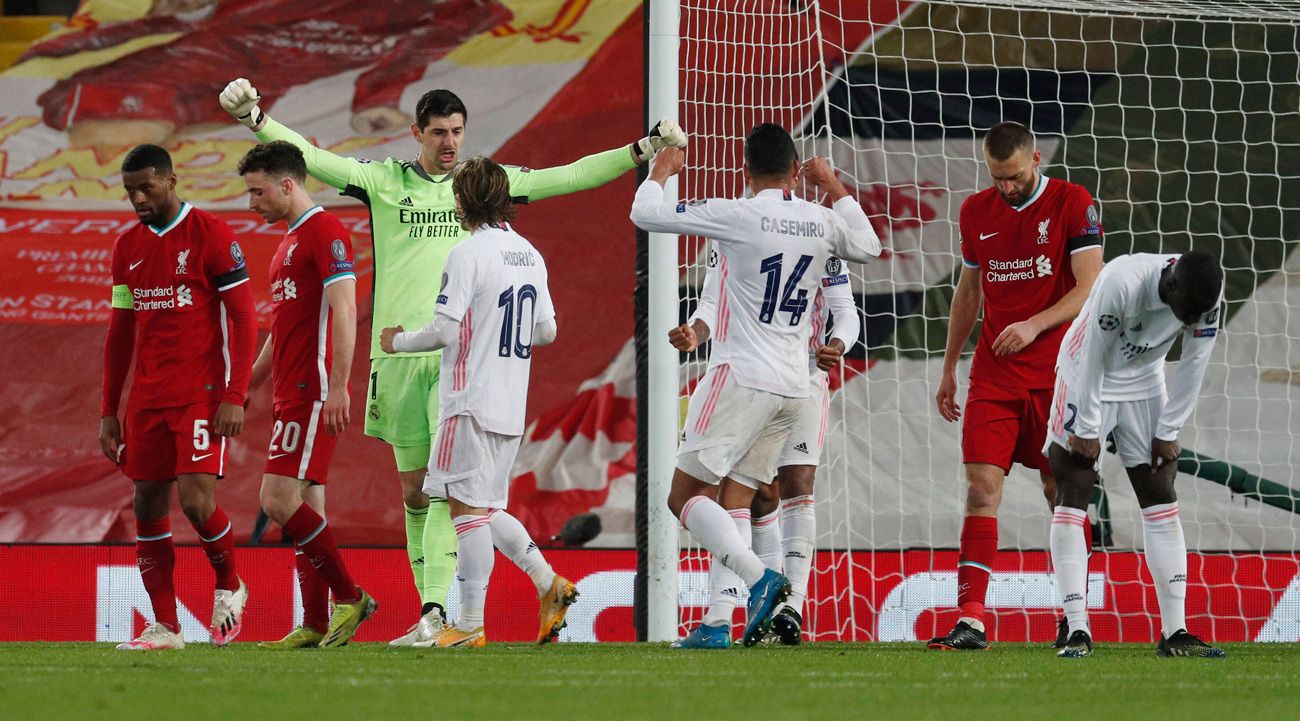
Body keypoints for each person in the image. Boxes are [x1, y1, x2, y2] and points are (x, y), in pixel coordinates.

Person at [220, 76, 685, 644]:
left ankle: (446, 615)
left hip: (452, 361)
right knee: (416, 494)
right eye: (439, 132)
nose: (450, 143)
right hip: (394, 364)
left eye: (458, 132)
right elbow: (315, 160)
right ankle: (435, 612)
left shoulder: (481, 189)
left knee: (449, 495)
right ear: (416, 132)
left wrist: (639, 150)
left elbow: (569, 175)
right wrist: (258, 120)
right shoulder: (384, 182)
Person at [630, 124, 882, 647]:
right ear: (795, 171)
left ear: (745, 173)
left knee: (682, 498)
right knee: (735, 499)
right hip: (795, 385)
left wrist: (661, 170)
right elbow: (869, 246)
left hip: (741, 378)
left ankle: (760, 579)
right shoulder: (820, 221)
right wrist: (832, 186)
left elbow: (645, 213)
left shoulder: (737, 215)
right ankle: (718, 623)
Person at [378, 156, 572, 647]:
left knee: (464, 514)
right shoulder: (529, 253)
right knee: (484, 508)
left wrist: (397, 341)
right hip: (510, 403)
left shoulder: (468, 253)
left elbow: (444, 330)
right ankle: (548, 584)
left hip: (467, 400)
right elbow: (547, 330)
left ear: (463, 200)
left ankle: (467, 624)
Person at [930, 121, 1104, 651]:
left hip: (1058, 372)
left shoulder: (1074, 202)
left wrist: (1033, 324)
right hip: (995, 373)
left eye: (1013, 176)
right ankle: (972, 618)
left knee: (1062, 491)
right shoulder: (976, 212)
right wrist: (949, 366)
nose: (1006, 187)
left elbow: (1089, 286)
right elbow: (968, 291)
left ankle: (1074, 615)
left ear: (1034, 160)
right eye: (996, 177)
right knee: (981, 490)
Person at [99, 144, 258, 650]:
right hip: (146, 399)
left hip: (201, 393)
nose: (138, 198)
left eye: (146, 187)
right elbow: (120, 332)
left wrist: (235, 394)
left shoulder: (210, 234)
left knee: (194, 500)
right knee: (145, 501)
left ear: (171, 180)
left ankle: (230, 584)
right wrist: (108, 411)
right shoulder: (127, 248)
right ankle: (165, 627)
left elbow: (245, 318)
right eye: (129, 191)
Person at [668, 250, 860, 648]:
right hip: (749, 377)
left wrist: (838, 343)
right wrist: (696, 332)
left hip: (802, 376)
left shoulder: (819, 235)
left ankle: (788, 608)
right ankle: (725, 614)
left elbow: (846, 310)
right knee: (743, 495)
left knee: (793, 482)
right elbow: (710, 303)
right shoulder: (731, 232)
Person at [1047, 251, 1225, 659]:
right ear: (1171, 284)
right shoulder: (1122, 282)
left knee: (1161, 490)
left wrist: (1169, 430)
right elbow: (1093, 354)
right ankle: (1076, 629)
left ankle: (1175, 632)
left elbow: (1196, 362)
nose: (1190, 320)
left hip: (1144, 381)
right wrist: (1088, 428)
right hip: (1085, 374)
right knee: (1074, 486)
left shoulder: (1205, 296)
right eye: (1186, 311)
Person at [237, 141, 376, 649]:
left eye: (257, 191)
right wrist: (249, 383)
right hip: (289, 390)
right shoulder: (287, 244)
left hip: (312, 389)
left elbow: (344, 310)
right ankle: (316, 622)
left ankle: (351, 596)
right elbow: (283, 327)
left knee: (275, 500)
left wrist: (339, 385)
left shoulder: (326, 233)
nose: (252, 203)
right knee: (309, 505)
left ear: (288, 184)